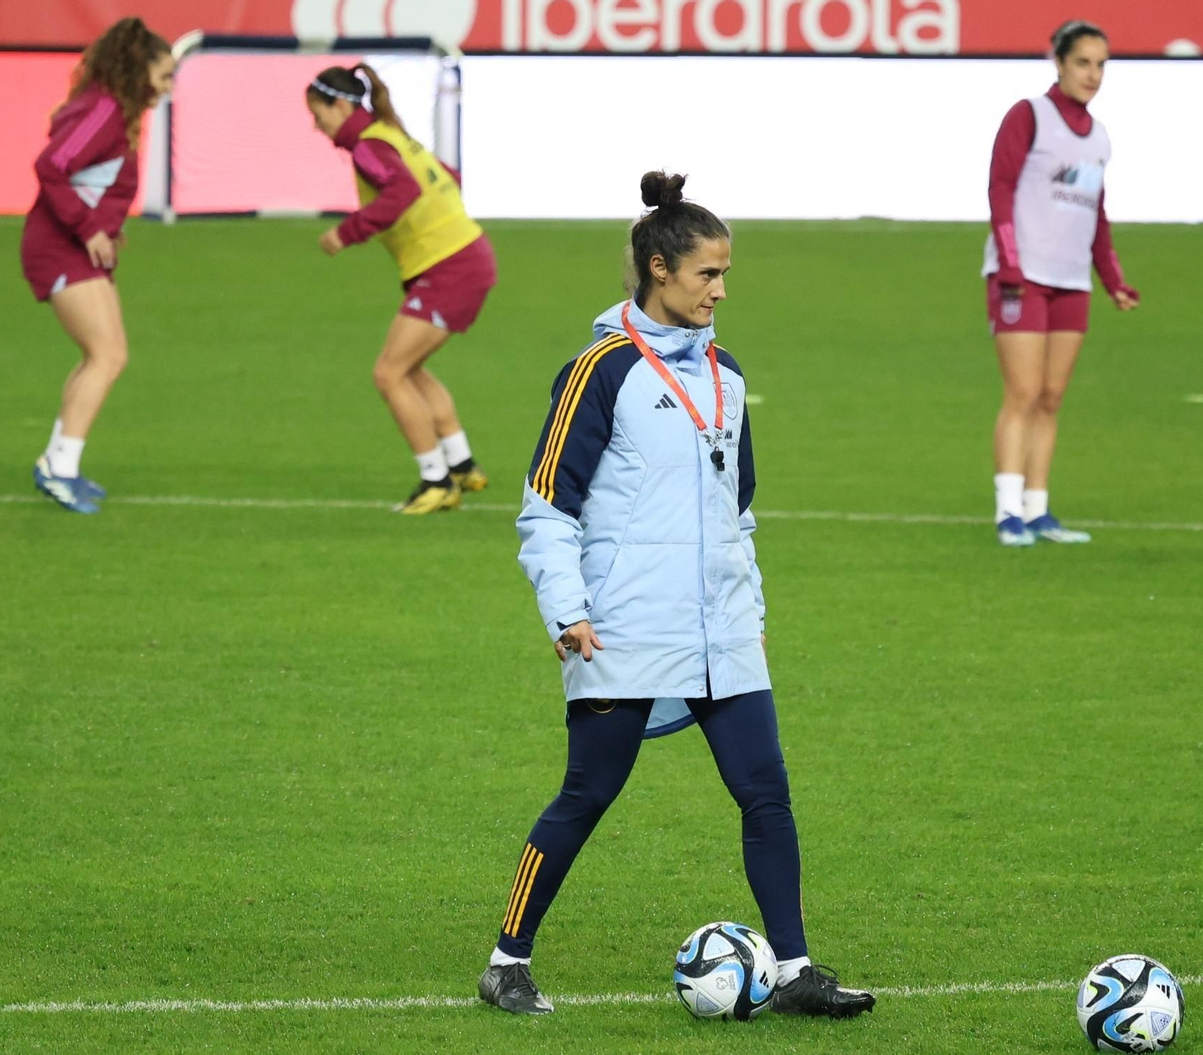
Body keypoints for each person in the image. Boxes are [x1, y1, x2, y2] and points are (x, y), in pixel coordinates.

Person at [477, 172, 876, 1020]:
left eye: (726, 274)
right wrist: (568, 608)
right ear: (658, 268)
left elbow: (740, 510)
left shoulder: (727, 376)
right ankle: (507, 959)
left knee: (765, 790)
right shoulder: (601, 370)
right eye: (707, 274)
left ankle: (797, 965)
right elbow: (546, 507)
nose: (721, 291)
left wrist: (751, 613)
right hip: (624, 625)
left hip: (721, 625)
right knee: (588, 792)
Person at [307, 65, 496, 514]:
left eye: (319, 114)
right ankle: (461, 463)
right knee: (408, 368)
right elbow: (446, 176)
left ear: (340, 105)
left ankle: (436, 481)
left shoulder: (370, 145)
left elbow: (402, 191)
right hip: (464, 257)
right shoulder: (390, 135)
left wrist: (347, 232)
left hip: (449, 265)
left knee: (388, 373)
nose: (317, 125)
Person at [982, 20, 1140, 546]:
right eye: (1083, 63)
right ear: (1059, 61)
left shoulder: (1099, 137)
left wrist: (1112, 278)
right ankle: (1008, 513)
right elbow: (1000, 188)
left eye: (1101, 65)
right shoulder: (1029, 116)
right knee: (1022, 393)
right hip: (1022, 277)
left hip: (1072, 281)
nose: (1093, 75)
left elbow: (1098, 213)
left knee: (1051, 397)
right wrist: (1009, 263)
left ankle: (1038, 509)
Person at [23, 18, 173, 513]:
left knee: (98, 355)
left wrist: (106, 224)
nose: (169, 87)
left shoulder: (111, 110)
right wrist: (88, 229)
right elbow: (51, 166)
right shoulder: (105, 110)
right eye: (165, 75)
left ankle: (57, 460)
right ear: (138, 69)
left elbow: (89, 177)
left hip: (70, 243)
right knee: (108, 355)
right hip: (60, 246)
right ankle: (60, 469)